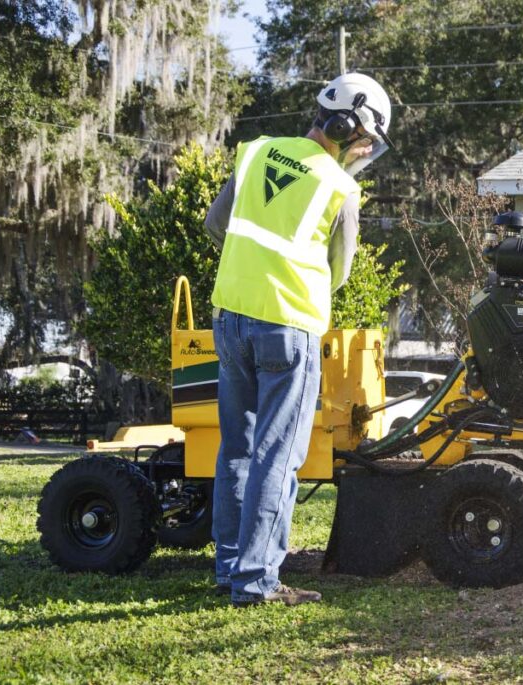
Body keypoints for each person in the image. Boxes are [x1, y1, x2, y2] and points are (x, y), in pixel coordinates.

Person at [203, 73, 393, 607]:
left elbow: (218, 224)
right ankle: (257, 581)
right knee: (276, 454)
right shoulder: (339, 188)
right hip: (288, 329)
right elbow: (341, 270)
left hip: (231, 319)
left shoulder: (255, 152)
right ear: (346, 124)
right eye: (363, 138)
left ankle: (228, 568)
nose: (362, 149)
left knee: (236, 448)